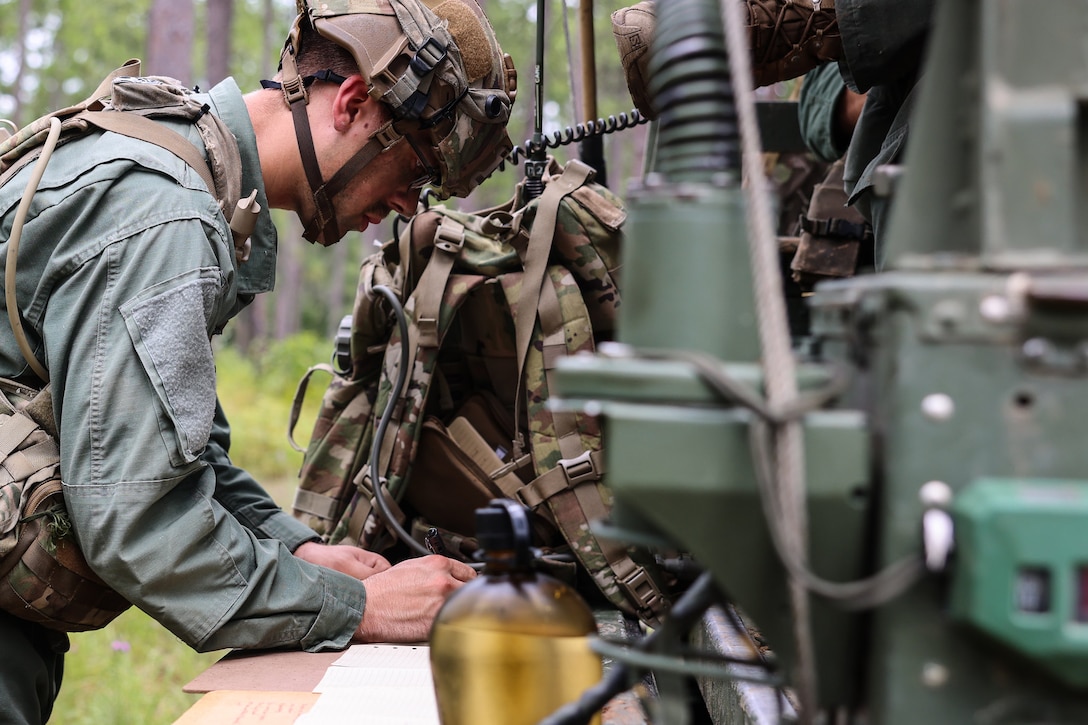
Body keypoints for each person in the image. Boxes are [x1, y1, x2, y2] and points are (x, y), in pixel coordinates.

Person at [0, 0, 516, 723]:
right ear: (355, 103)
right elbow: (138, 517)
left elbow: (180, 452)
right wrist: (362, 605)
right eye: (415, 165)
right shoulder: (165, 214)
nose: (407, 204)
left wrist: (296, 549)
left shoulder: (180, 163)